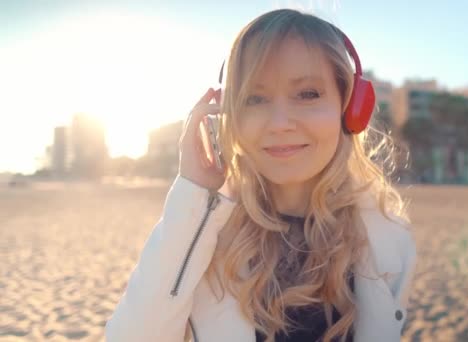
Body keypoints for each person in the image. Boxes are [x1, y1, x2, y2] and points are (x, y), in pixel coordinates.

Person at [105, 8, 416, 342]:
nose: (279, 122)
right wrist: (194, 191)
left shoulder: (389, 237)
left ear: (351, 107)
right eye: (254, 98)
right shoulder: (202, 231)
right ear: (230, 115)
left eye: (308, 94)